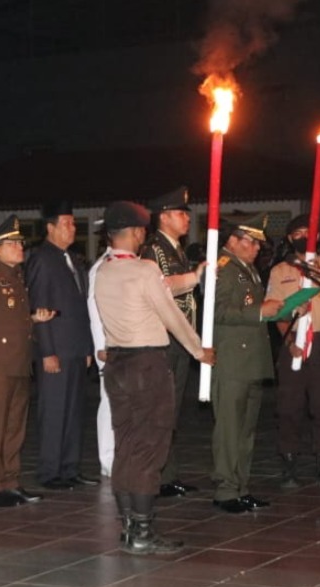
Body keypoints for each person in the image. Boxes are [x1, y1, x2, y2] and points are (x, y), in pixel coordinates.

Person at [93, 201, 213, 555]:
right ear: (134, 233)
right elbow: (170, 313)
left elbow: (157, 288)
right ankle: (143, 534)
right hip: (147, 365)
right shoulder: (144, 269)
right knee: (150, 447)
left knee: (127, 445)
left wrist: (193, 277)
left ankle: (130, 525)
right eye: (142, 230)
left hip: (117, 365)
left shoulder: (104, 270)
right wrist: (198, 350)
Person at [0, 215, 54, 507]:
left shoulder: (16, 275)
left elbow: (8, 318)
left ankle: (11, 481)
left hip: (18, 363)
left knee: (15, 426)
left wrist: (34, 318)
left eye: (20, 242)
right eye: (12, 243)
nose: (19, 247)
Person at [265, 215, 320, 488]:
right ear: (290, 238)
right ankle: (289, 465)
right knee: (289, 407)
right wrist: (289, 343)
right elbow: (276, 312)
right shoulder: (280, 271)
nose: (303, 235)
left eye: (308, 231)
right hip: (293, 343)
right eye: (298, 232)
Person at [210, 214, 282, 514]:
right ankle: (226, 490)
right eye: (251, 242)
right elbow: (219, 311)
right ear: (233, 241)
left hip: (250, 360)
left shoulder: (247, 269)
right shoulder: (223, 269)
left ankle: (241, 486)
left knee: (246, 430)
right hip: (231, 361)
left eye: (258, 244)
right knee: (229, 429)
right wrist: (260, 312)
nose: (256, 249)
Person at [140, 186, 206, 498]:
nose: (187, 218)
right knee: (163, 409)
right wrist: (195, 277)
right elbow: (161, 288)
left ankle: (168, 473)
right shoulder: (155, 249)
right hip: (165, 339)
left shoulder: (176, 249)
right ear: (163, 217)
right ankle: (158, 475)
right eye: (181, 213)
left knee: (173, 409)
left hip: (178, 338)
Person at [25, 200, 96, 489]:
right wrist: (47, 351)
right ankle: (50, 470)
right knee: (54, 411)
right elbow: (39, 307)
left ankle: (69, 467)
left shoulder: (72, 260)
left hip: (76, 348)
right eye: (66, 223)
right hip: (56, 349)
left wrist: (87, 348)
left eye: (74, 223)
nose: (72, 228)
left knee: (74, 411)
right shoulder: (42, 259)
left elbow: (80, 308)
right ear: (50, 227)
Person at [86, 242, 114, 478]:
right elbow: (96, 313)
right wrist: (101, 348)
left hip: (125, 346)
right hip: (110, 348)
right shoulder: (102, 267)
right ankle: (108, 460)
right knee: (110, 403)